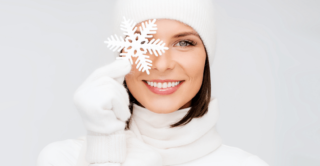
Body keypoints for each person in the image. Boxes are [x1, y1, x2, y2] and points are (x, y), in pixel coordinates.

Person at [37, 0, 270, 166]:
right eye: (142, 42)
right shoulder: (63, 159)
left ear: (207, 57)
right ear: (121, 55)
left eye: (184, 43)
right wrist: (105, 149)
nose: (161, 64)